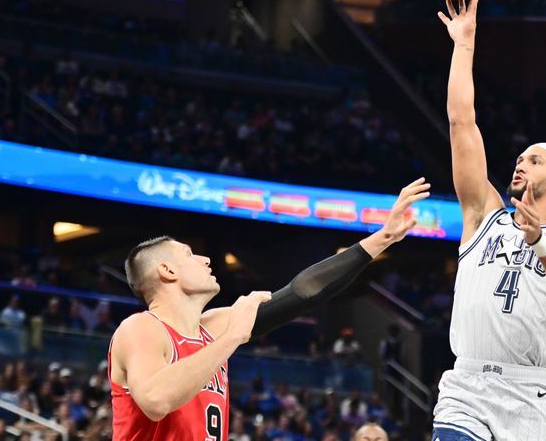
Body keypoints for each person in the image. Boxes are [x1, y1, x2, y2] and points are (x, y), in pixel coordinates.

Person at [109, 178, 431, 440]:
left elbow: (303, 294)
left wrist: (382, 238)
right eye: (190, 254)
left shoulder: (212, 327)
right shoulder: (142, 328)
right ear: (167, 271)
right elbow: (155, 400)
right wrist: (232, 337)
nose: (205, 259)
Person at [432, 0, 546, 440]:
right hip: (465, 387)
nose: (521, 163)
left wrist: (539, 243)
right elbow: (461, 123)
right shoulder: (483, 214)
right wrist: (463, 45)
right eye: (521, 158)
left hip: (530, 396)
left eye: (536, 160)